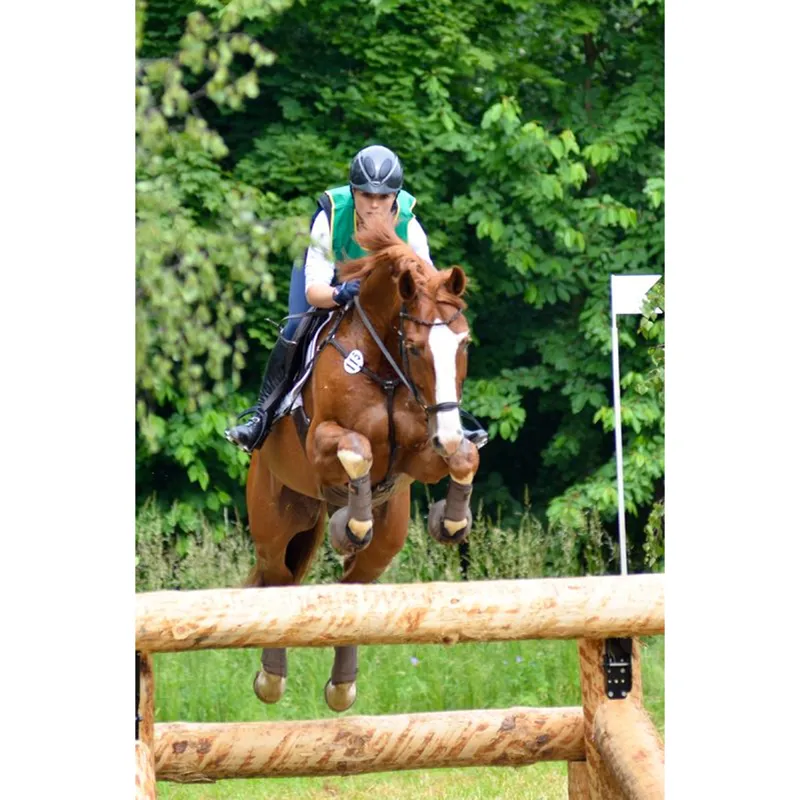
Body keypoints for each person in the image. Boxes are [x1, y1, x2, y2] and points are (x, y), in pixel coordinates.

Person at [225, 144, 486, 453]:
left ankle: (453, 417)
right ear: (353, 192)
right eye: (366, 195)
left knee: (433, 338)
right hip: (328, 285)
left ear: (395, 197)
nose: (374, 205)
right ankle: (262, 416)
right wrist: (339, 293)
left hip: (380, 299)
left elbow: (427, 285)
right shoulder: (330, 216)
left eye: (383, 197)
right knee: (294, 331)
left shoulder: (409, 225)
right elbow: (315, 291)